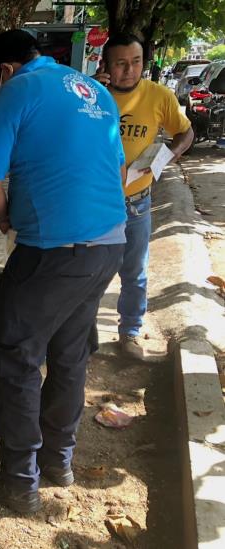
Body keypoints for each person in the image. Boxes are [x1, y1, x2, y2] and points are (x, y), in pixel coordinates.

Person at [0, 30, 127, 514]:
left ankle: (19, 481)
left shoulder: (19, 88)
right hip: (108, 243)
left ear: (5, 71)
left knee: (15, 352)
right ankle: (58, 461)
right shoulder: (94, 90)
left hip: (53, 251)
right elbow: (118, 170)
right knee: (69, 351)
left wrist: (9, 216)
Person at [93, 34, 194, 359]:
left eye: (136, 62)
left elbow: (186, 131)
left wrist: (168, 156)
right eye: (120, 64)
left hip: (136, 201)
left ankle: (130, 333)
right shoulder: (90, 94)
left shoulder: (158, 96)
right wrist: (92, 90)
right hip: (92, 202)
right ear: (105, 65)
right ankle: (82, 332)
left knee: (134, 272)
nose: (129, 70)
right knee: (89, 271)